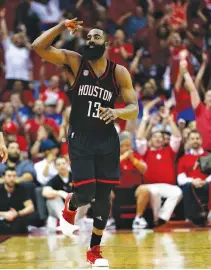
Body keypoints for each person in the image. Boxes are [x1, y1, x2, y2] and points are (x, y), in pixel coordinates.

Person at [32, 18, 138, 266]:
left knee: (104, 196)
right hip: (80, 137)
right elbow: (38, 47)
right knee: (86, 193)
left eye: (96, 37)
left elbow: (133, 108)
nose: (90, 40)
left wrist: (118, 113)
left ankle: (94, 251)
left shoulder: (118, 72)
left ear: (106, 43)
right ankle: (71, 203)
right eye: (88, 37)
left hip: (106, 139)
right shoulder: (74, 61)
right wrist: (60, 27)